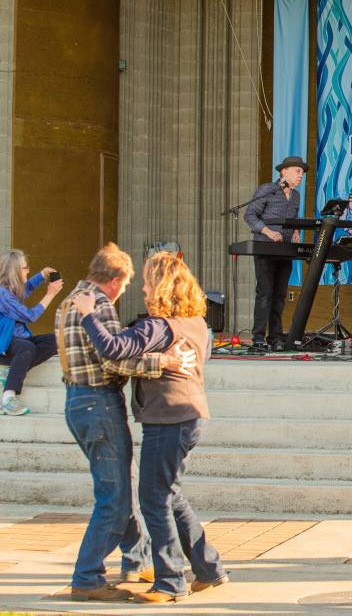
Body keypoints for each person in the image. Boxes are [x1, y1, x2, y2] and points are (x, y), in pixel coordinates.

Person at [72, 252, 228, 604]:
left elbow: (113, 348)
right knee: (170, 495)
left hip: (168, 418)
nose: (142, 289)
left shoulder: (158, 326)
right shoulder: (196, 323)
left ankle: (171, 582)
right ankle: (208, 568)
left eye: (146, 282)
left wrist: (88, 315)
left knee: (154, 500)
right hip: (191, 415)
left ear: (160, 287)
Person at [55, 243, 193, 602]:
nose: (132, 290)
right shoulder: (99, 305)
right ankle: (87, 577)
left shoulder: (70, 299)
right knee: (114, 498)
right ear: (116, 280)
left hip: (77, 401)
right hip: (99, 402)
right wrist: (163, 362)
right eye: (130, 284)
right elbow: (113, 359)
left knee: (120, 486)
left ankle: (136, 560)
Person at [244, 156, 307, 349]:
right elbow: (250, 215)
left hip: (285, 250)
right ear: (284, 172)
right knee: (265, 293)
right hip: (265, 248)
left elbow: (293, 218)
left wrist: (296, 231)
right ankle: (258, 337)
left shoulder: (296, 196)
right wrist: (268, 232)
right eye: (298, 171)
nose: (301, 176)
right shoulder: (267, 190)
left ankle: (275, 337)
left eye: (302, 173)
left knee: (280, 295)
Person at [0, 249, 62, 415]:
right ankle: (8, 396)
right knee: (27, 348)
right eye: (25, 268)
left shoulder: (10, 290)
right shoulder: (2, 294)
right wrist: (50, 294)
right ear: (14, 271)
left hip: (17, 341)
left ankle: (10, 370)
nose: (28, 270)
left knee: (57, 340)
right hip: (4, 344)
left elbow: (26, 289)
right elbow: (30, 316)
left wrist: (41, 275)